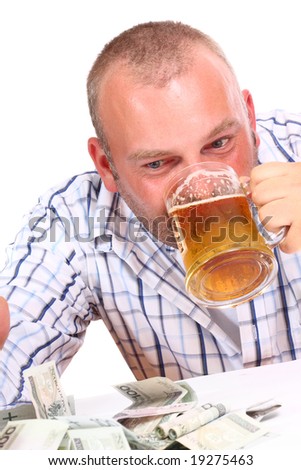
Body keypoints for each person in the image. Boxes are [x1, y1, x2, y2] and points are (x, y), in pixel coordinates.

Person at [1, 20, 301, 408]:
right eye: (159, 164)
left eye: (220, 143)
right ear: (106, 166)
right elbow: (13, 371)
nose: (201, 184)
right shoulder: (76, 222)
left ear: (249, 117)